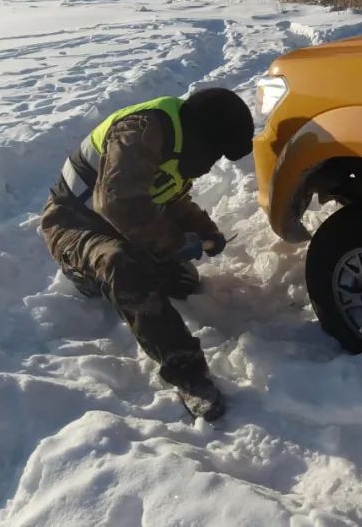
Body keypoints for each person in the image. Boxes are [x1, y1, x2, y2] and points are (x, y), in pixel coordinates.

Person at [39, 88, 253, 421]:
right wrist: (172, 243)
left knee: (182, 280)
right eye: (214, 155)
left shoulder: (179, 142)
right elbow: (118, 203)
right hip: (71, 224)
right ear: (201, 137)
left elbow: (170, 197)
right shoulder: (140, 133)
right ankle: (185, 370)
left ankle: (127, 271)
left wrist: (206, 231)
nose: (210, 167)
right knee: (122, 265)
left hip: (115, 224)